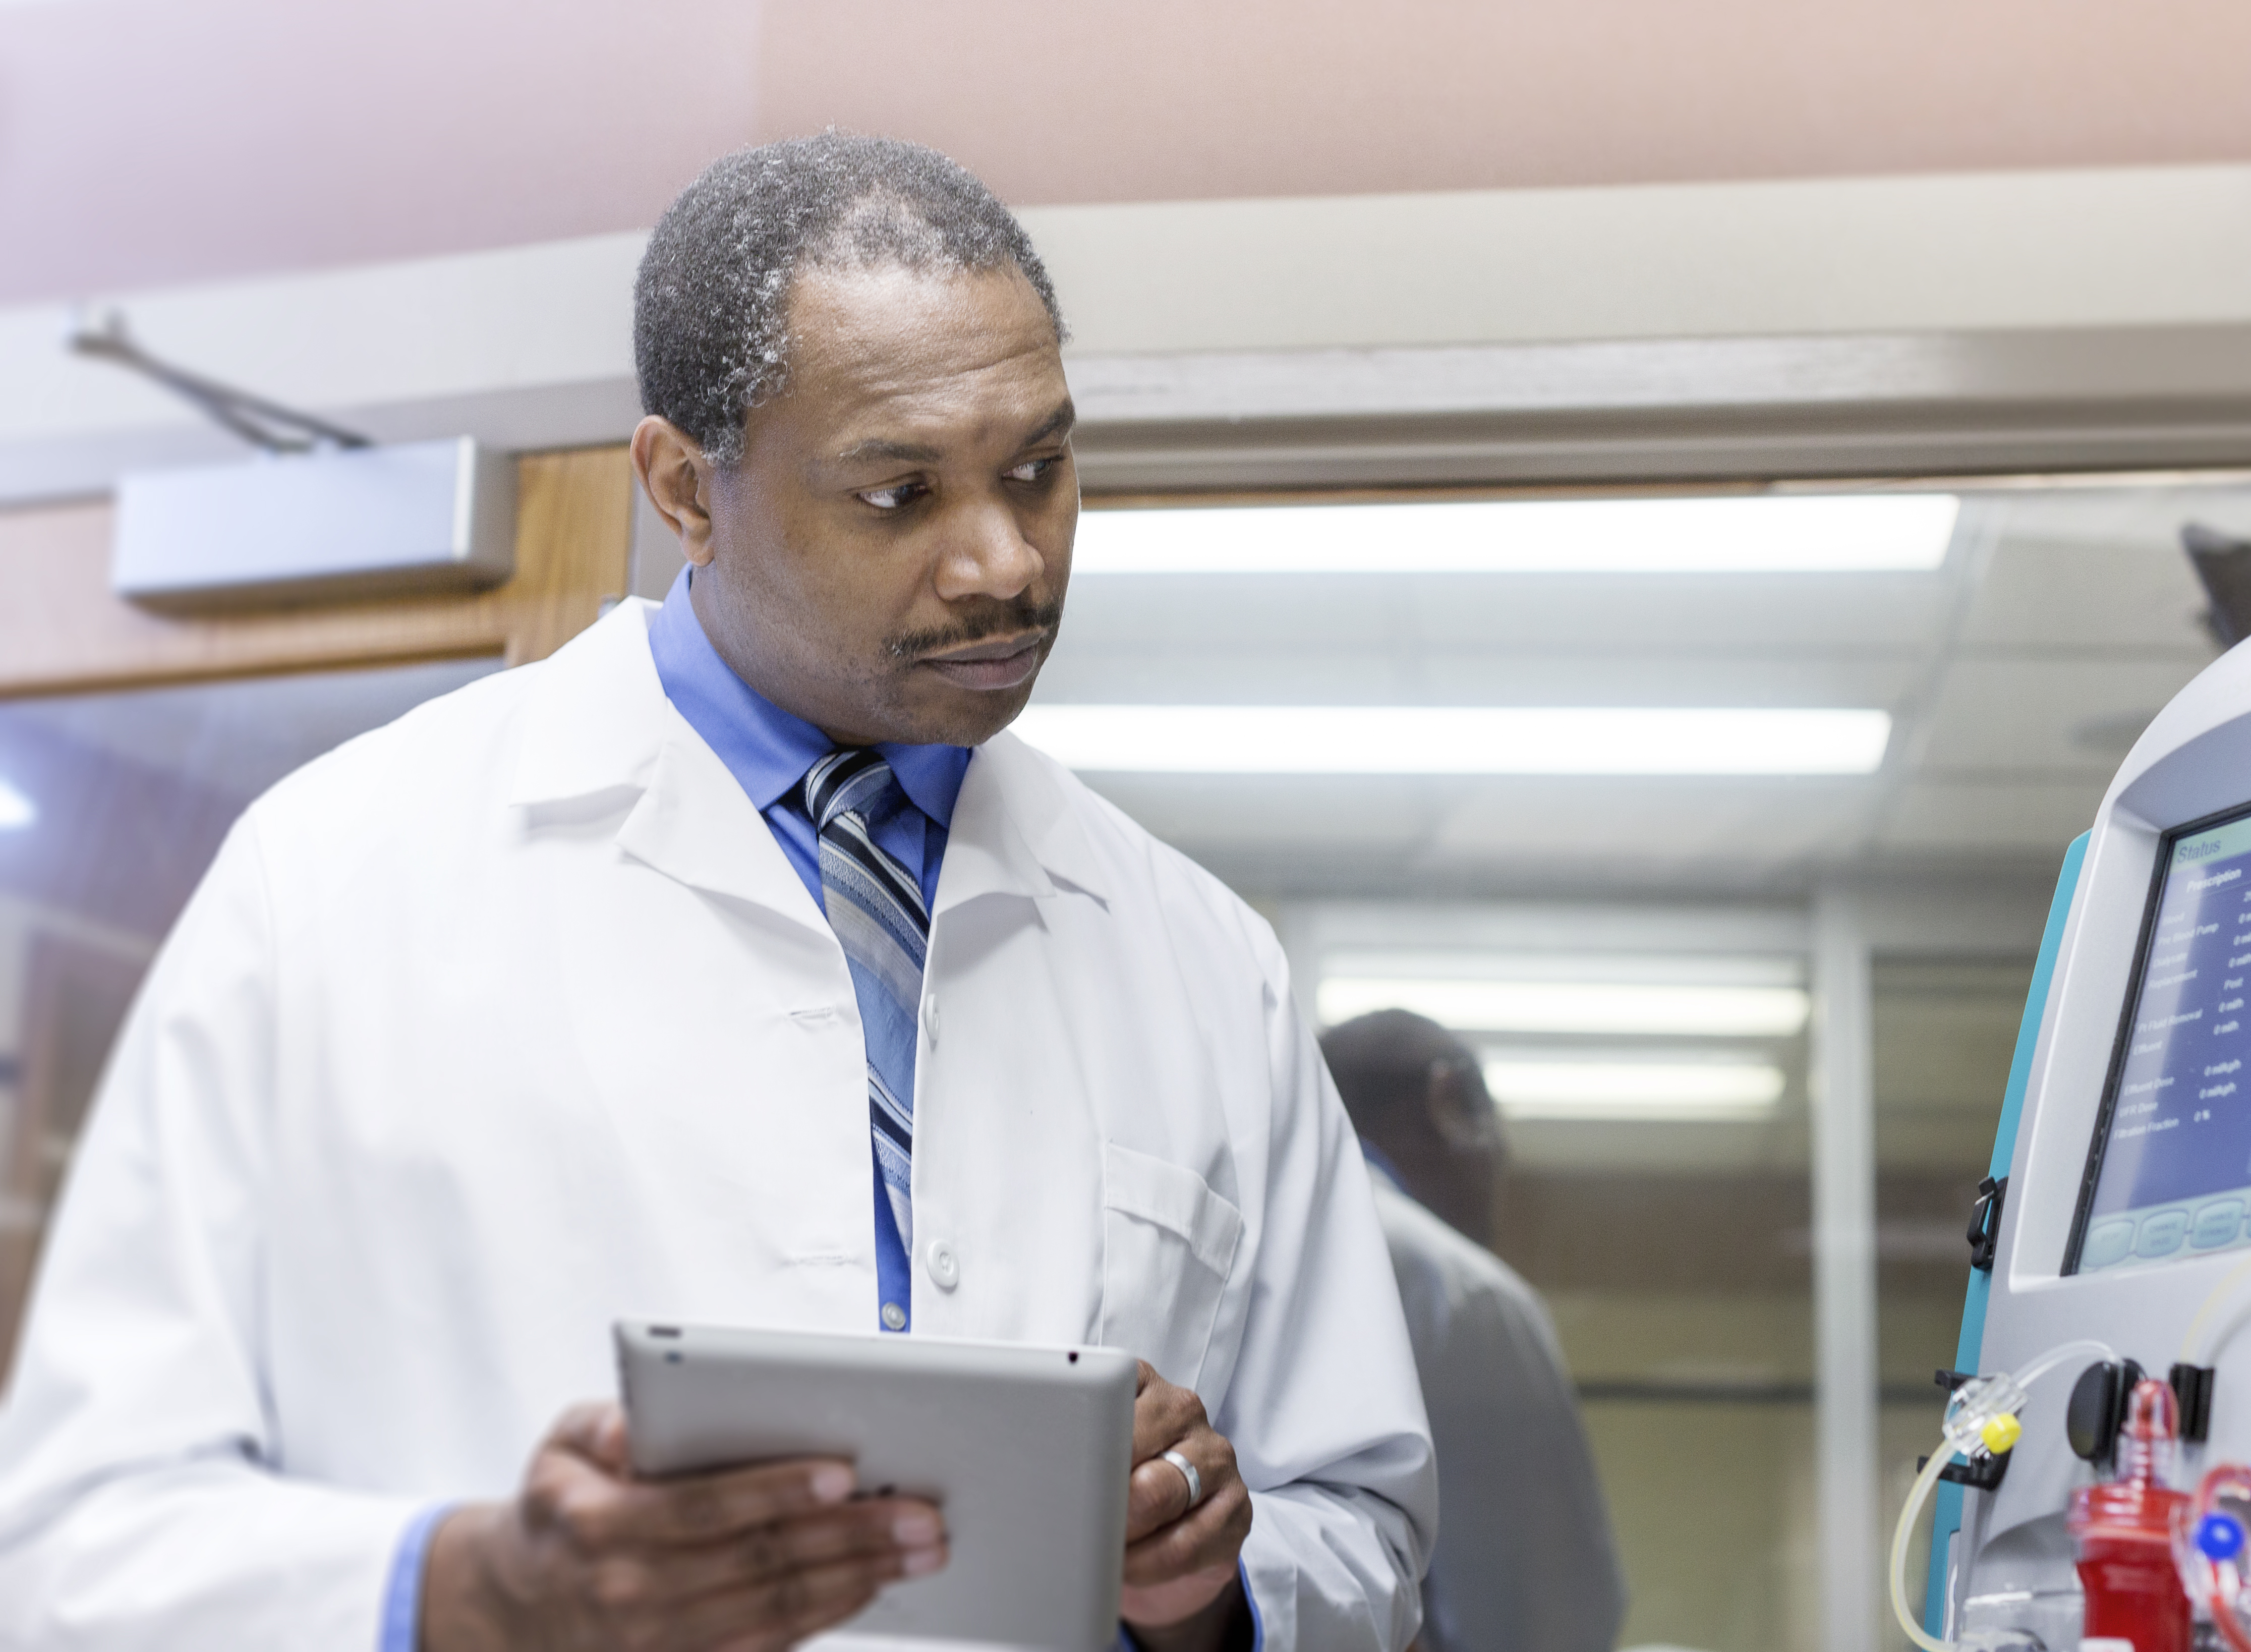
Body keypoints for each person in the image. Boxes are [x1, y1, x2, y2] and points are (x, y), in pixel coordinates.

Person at [0, 135, 1433, 1652]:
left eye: (1040, 469)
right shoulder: (334, 878)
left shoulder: (1201, 959)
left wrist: (1212, 1589)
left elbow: (1368, 1530)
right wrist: (468, 1587)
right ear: (687, 490)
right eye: (899, 493)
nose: (1006, 559)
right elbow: (72, 1544)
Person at [1317, 1009, 1625, 1652]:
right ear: (1447, 1101)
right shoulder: (1459, 1294)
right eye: (1498, 1135)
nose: (1501, 1167)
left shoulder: (1244, 1249)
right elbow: (1551, 1614)